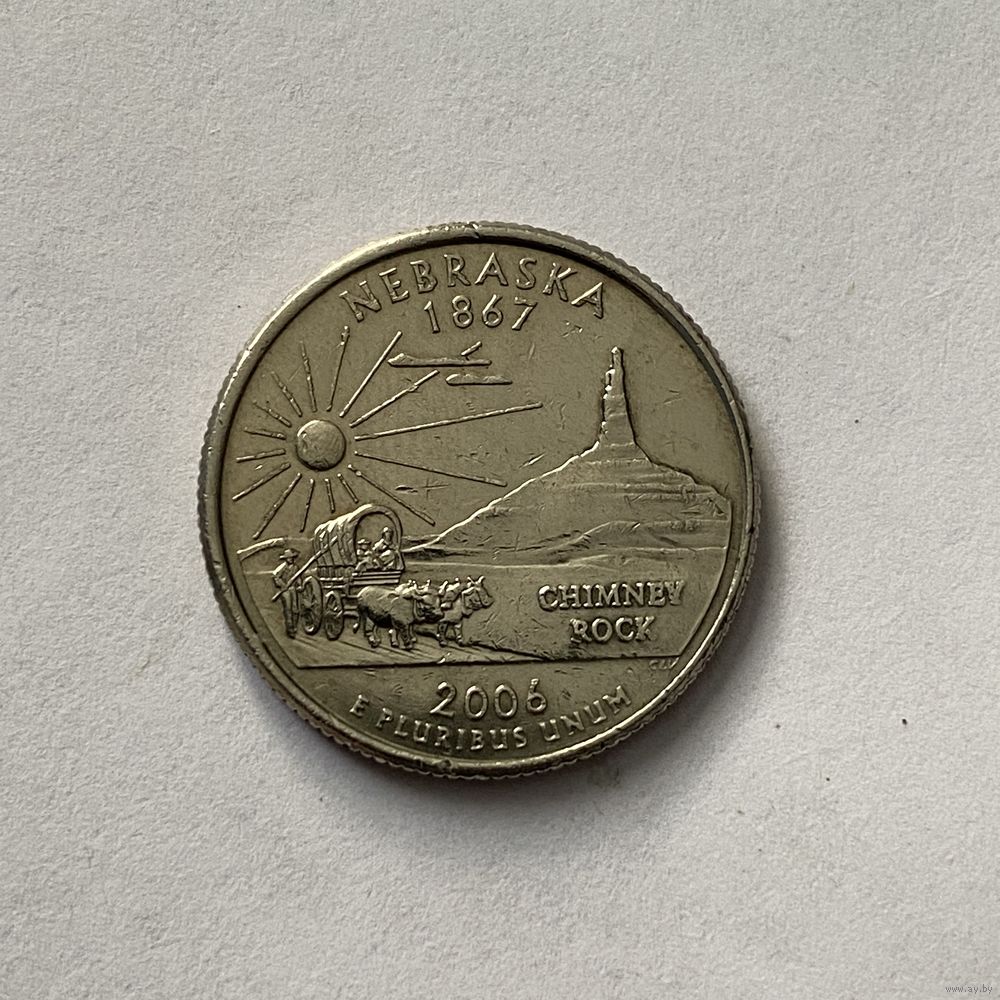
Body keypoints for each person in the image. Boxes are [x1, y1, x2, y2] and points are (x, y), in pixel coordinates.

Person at [272, 548, 299, 637]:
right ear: (286, 559)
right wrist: (283, 585)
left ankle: (295, 627)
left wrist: (299, 585)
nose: (290, 559)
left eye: (291, 557)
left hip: (293, 589)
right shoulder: (283, 567)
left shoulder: (295, 567)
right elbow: (275, 576)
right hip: (285, 591)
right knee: (288, 610)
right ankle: (290, 629)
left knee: (295, 609)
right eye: (288, 557)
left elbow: (298, 577)